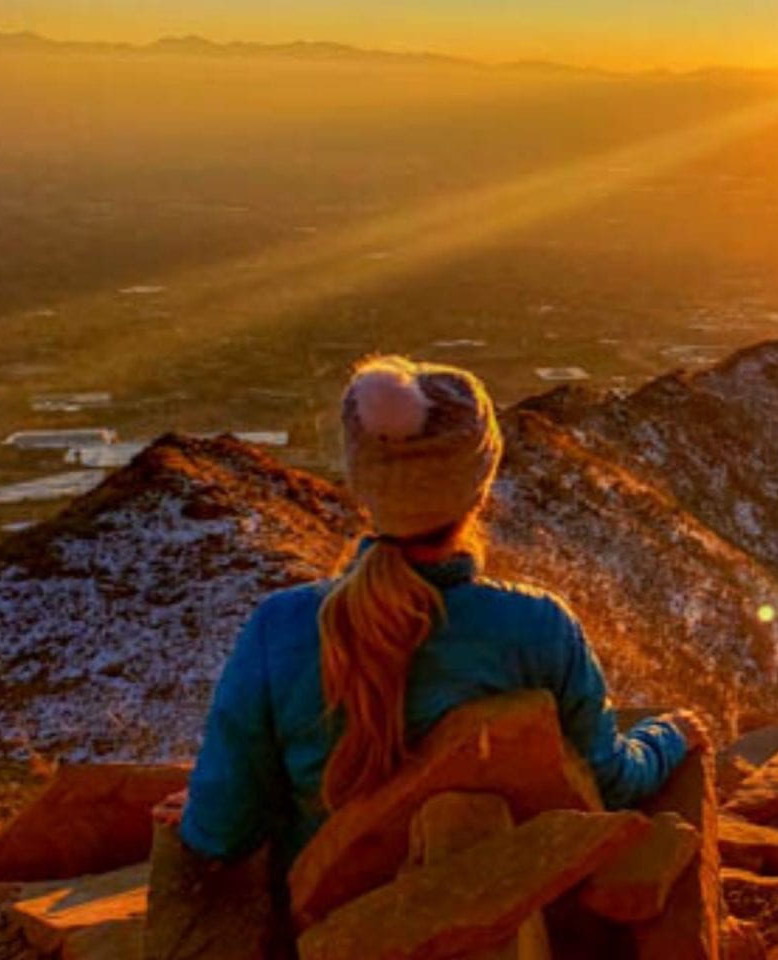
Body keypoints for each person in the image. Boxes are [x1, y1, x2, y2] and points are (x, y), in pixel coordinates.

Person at [179, 355, 707, 866]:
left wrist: (201, 814)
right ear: (479, 489)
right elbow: (609, 783)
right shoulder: (538, 627)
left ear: (361, 482)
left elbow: (221, 834)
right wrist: (670, 736)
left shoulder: (282, 628)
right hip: (495, 902)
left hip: (331, 924)